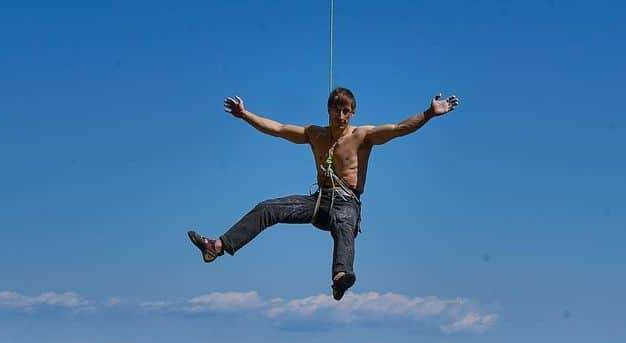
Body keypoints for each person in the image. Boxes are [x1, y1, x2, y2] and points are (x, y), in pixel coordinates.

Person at [188, 87, 459, 300]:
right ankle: (218, 247)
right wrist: (245, 115)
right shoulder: (315, 134)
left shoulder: (363, 136)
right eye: (335, 111)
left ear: (353, 113)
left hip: (346, 202)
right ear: (328, 111)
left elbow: (399, 129)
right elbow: (279, 129)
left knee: (345, 225)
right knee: (267, 208)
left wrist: (429, 113)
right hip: (317, 201)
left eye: (346, 112)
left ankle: (341, 277)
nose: (340, 117)